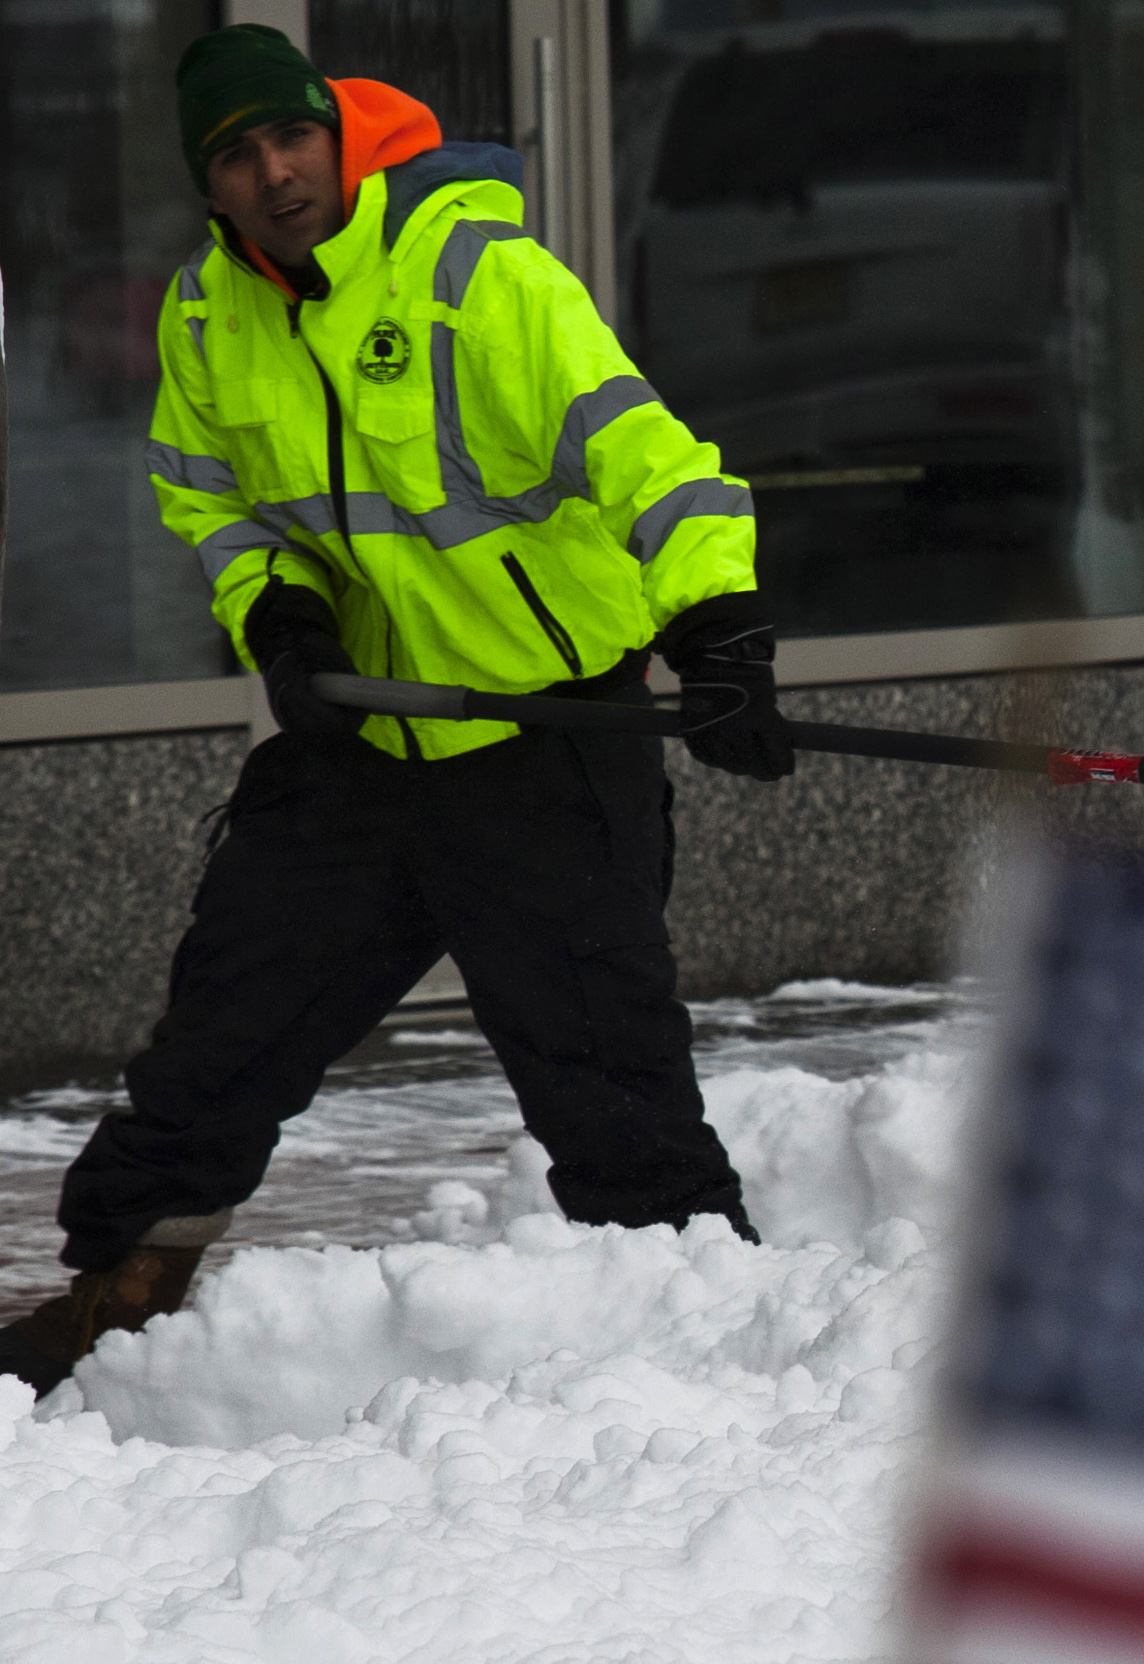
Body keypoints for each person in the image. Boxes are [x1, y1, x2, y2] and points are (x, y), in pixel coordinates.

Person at [0, 26, 791, 1396]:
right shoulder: (204, 317)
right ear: (212, 182)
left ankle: (714, 1355)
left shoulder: (476, 277)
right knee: (224, 1029)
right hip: (362, 739)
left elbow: (647, 458)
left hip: (545, 739)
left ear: (335, 137)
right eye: (238, 155)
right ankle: (121, 1286)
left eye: (290, 139)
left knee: (607, 1077)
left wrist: (717, 626)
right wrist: (277, 611)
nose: (274, 173)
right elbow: (211, 498)